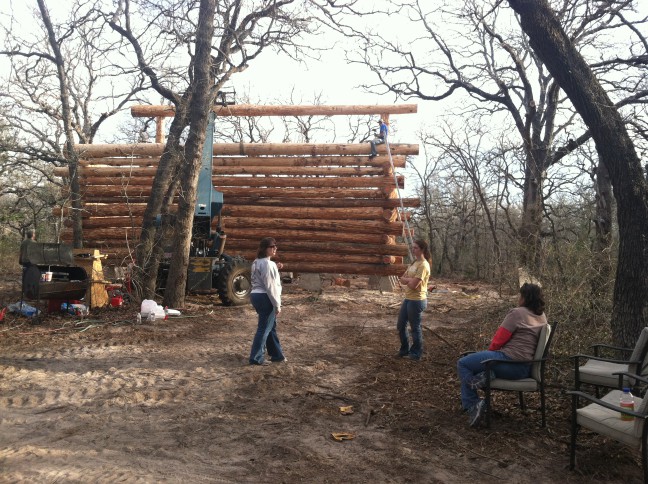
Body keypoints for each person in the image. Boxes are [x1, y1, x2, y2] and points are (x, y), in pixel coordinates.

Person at [457, 283, 547, 428]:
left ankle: (474, 404)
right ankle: (482, 378)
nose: (519, 298)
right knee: (474, 365)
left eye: (520, 295)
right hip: (524, 369)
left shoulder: (517, 313)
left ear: (525, 297)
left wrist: (489, 356)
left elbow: (498, 340)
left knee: (463, 363)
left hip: (509, 362)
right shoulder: (541, 316)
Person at [248, 237, 287, 365]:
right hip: (265, 297)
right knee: (264, 328)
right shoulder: (267, 264)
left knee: (270, 327)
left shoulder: (257, 262)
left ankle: (277, 355)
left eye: (275, 246)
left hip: (256, 295)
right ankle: (256, 358)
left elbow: (264, 274)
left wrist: (275, 267)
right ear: (265, 249)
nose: (275, 248)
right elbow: (270, 286)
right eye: (272, 246)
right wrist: (277, 305)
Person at [396, 239, 431, 361]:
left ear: (422, 250)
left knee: (415, 327)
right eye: (413, 247)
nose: (413, 249)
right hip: (408, 298)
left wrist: (408, 280)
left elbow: (413, 285)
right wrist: (408, 280)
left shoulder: (423, 265)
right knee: (401, 325)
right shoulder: (414, 263)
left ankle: (416, 353)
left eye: (416, 248)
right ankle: (404, 350)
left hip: (417, 300)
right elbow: (402, 279)